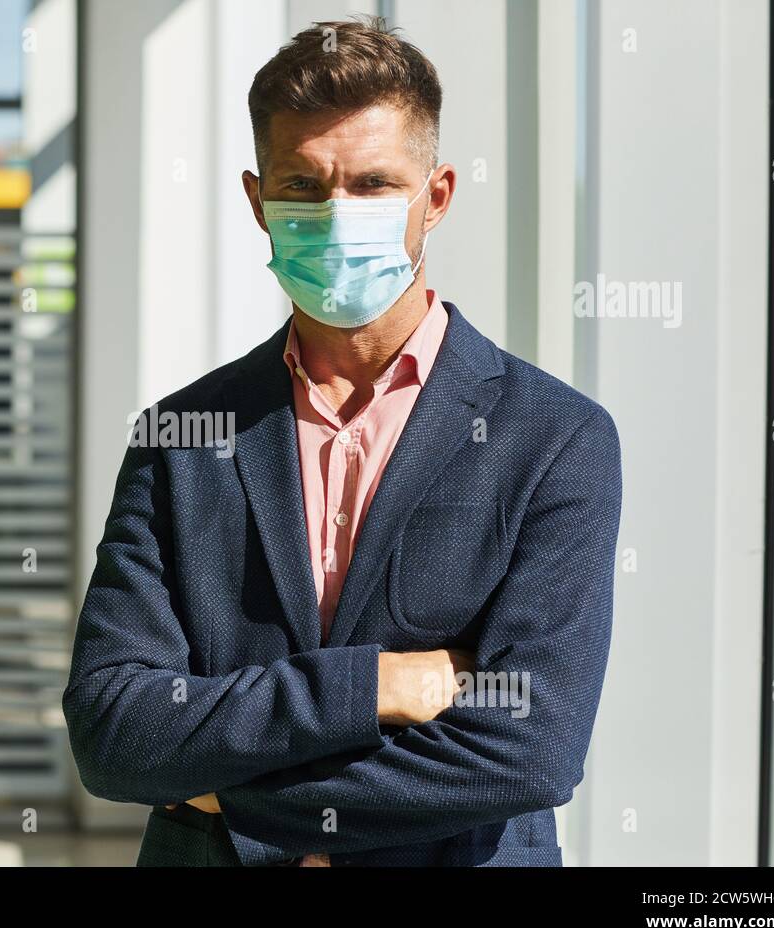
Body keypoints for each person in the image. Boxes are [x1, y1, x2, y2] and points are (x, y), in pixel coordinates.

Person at [63, 16, 622, 867]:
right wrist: (379, 686)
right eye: (302, 185)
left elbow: (532, 747)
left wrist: (225, 794)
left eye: (371, 184)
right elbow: (114, 728)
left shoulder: (554, 436)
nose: (336, 214)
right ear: (257, 202)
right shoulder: (181, 438)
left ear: (434, 198)